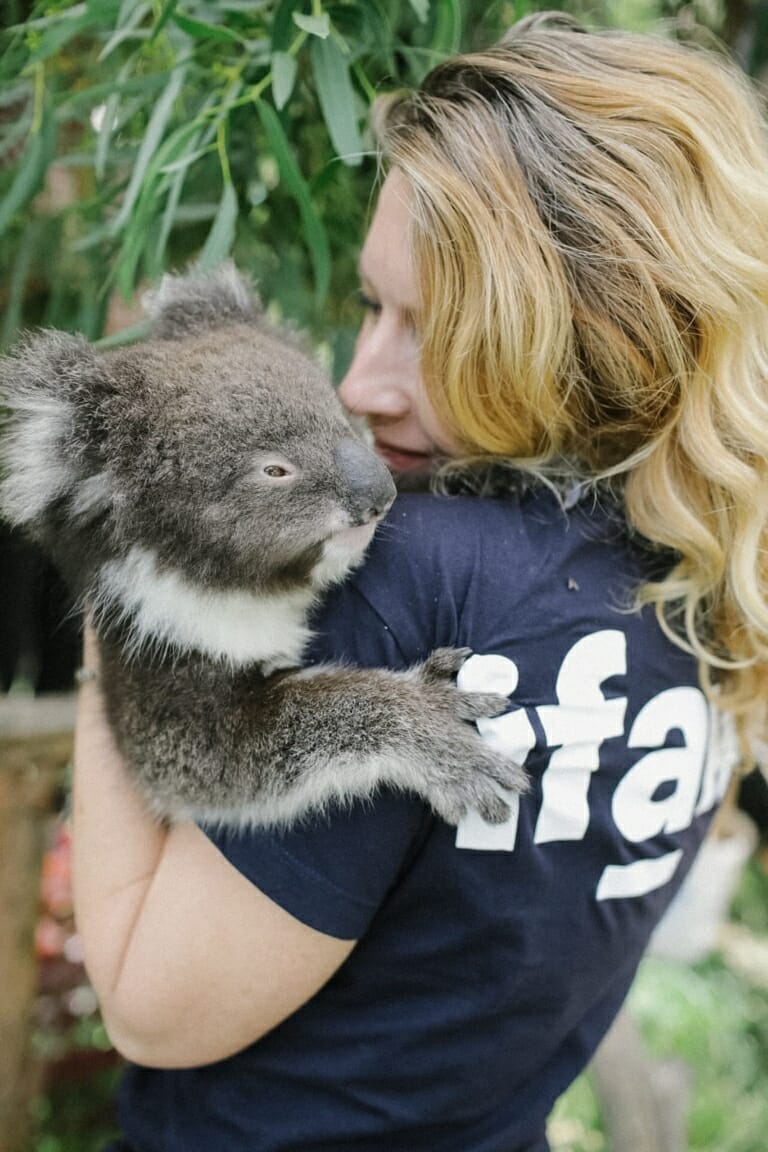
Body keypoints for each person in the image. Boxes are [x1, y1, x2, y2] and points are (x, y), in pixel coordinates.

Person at [74, 13, 768, 1152]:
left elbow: (152, 1012)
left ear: (586, 339)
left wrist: (122, 622)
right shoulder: (705, 587)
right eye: (369, 306)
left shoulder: (414, 577)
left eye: (431, 331)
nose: (362, 381)